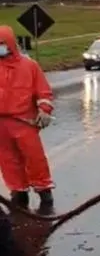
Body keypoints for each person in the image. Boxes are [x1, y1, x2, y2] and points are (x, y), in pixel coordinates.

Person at [0, 25, 55, 215]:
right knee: (8, 160)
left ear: (10, 44)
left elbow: (43, 91)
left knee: (34, 157)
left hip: (24, 121)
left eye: (1, 45)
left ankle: (43, 190)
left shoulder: (29, 66)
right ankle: (18, 192)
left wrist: (44, 109)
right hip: (1, 124)